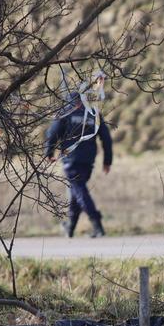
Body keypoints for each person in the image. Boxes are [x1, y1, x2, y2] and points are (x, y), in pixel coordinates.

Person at [44, 92, 112, 238]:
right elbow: (106, 139)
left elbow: (52, 133)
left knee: (79, 191)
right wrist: (107, 161)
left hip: (71, 160)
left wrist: (49, 152)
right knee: (77, 191)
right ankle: (71, 227)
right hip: (88, 161)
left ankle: (97, 223)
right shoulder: (94, 114)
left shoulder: (65, 113)